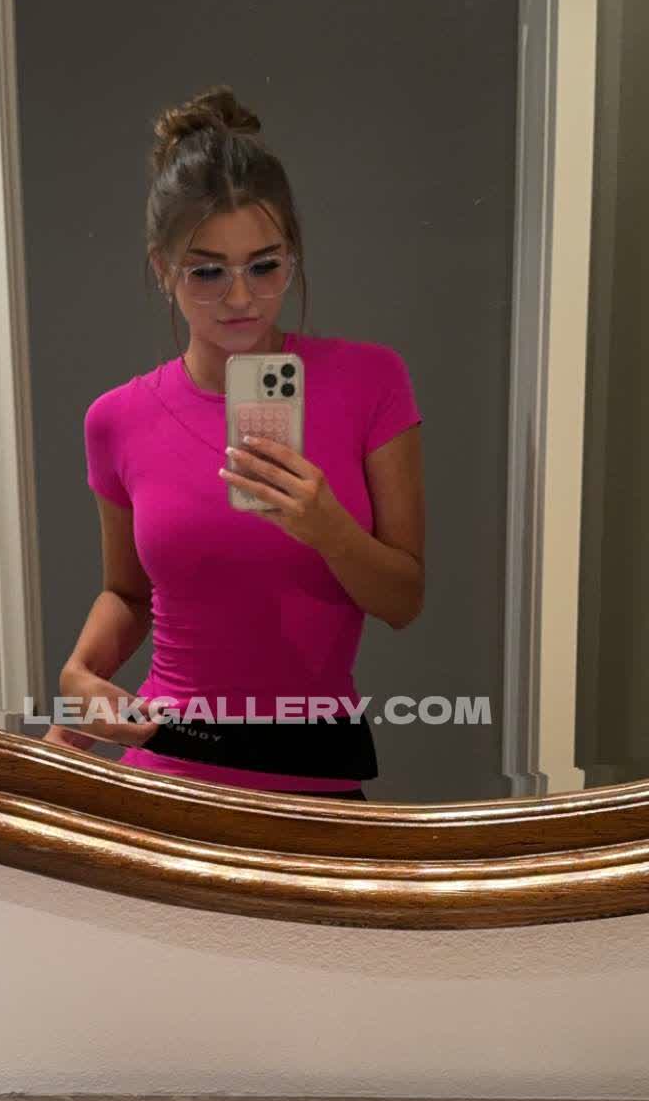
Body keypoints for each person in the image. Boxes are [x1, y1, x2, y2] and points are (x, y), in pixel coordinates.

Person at [55, 84, 424, 796]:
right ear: (162, 270)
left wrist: (328, 530)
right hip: (167, 772)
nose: (240, 297)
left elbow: (403, 600)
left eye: (264, 265)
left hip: (317, 773)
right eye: (206, 271)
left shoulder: (371, 381)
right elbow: (127, 593)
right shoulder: (116, 418)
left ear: (293, 256)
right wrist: (79, 676)